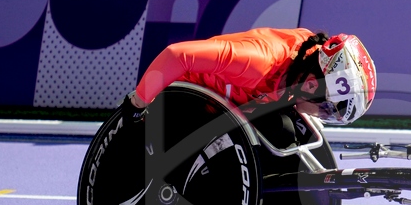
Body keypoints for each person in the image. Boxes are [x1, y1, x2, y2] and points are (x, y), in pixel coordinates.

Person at [119, 27, 377, 135]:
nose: (322, 115)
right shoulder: (258, 62)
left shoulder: (307, 59)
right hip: (182, 103)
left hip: (225, 109)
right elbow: (177, 55)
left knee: (288, 132)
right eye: (327, 110)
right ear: (310, 85)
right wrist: (137, 103)